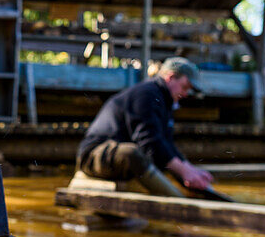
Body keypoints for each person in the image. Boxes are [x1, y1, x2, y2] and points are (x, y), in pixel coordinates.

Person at [76, 57, 213, 197]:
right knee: (131, 153)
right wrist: (184, 171)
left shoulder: (164, 102)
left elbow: (167, 145)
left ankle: (192, 196)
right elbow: (149, 142)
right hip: (93, 156)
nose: (185, 94)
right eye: (185, 87)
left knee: (145, 155)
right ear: (170, 78)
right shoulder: (146, 93)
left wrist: (190, 170)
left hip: (120, 156)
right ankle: (178, 201)